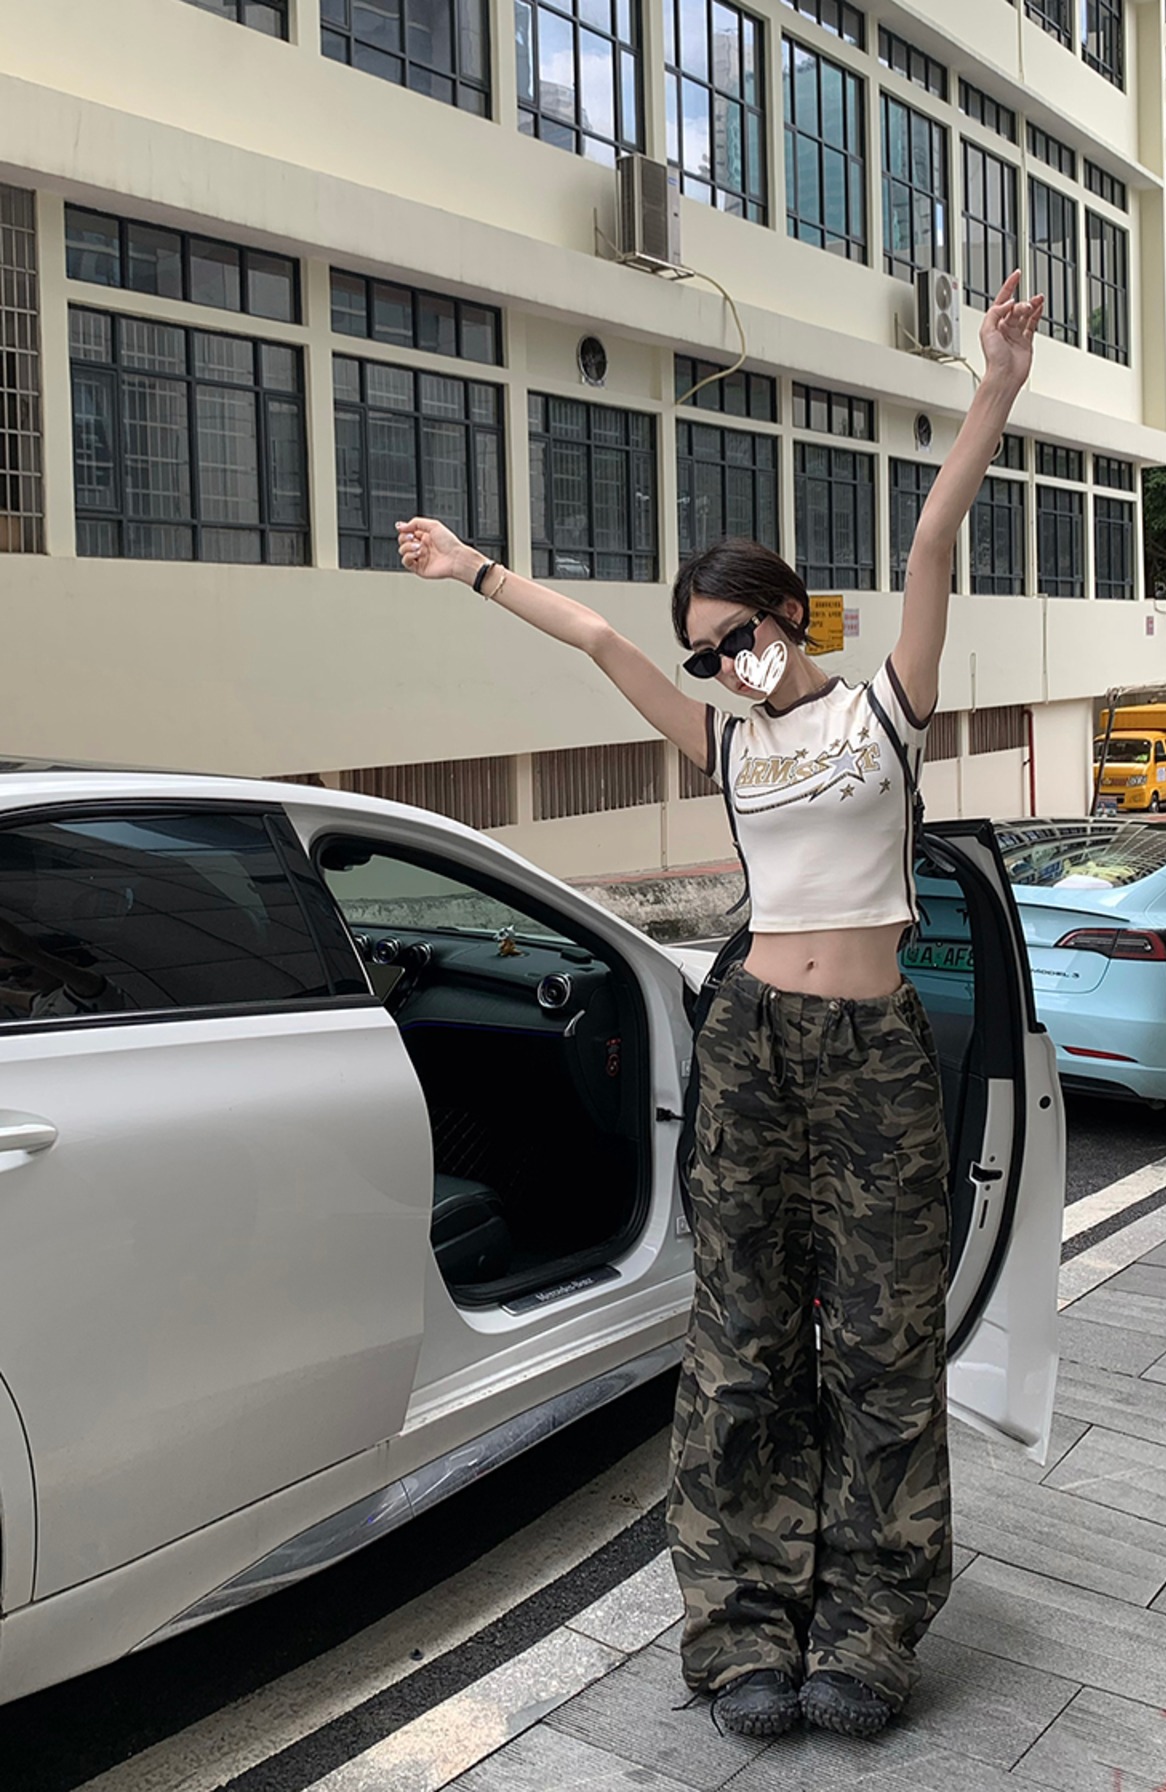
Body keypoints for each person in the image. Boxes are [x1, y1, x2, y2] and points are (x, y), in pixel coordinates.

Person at [396, 269, 1043, 1741]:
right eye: (704, 651)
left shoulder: (883, 710)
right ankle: (743, 1627)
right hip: (751, 1044)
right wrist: (474, 568)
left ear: (788, 617)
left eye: (736, 636)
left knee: (884, 1343)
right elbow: (595, 641)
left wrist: (994, 387)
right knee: (742, 1335)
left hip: (874, 1053)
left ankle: (870, 1625)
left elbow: (933, 537)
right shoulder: (726, 743)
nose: (721, 663)